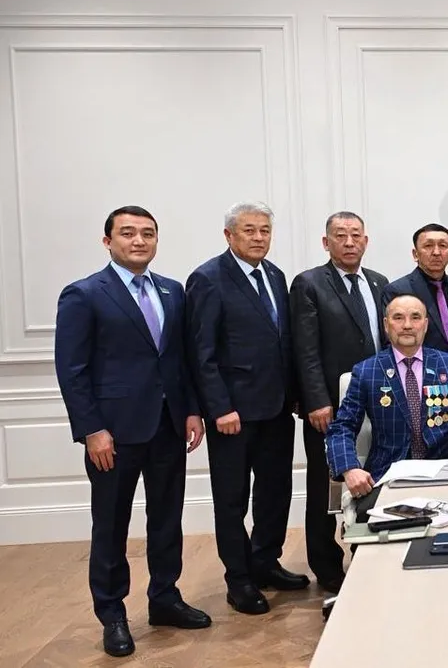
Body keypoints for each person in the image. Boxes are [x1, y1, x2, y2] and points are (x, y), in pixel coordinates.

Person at [54, 206, 210, 658]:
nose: (139, 241)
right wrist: (92, 429)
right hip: (114, 434)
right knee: (111, 525)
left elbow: (179, 359)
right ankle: (112, 614)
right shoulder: (84, 294)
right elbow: (72, 370)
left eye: (147, 233)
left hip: (167, 426)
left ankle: (165, 598)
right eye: (127, 233)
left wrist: (191, 410)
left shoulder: (172, 291)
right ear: (108, 241)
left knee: (167, 518)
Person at [186, 201, 306, 616]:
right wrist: (219, 407)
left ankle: (265, 562)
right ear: (229, 235)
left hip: (276, 408)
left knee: (275, 492)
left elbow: (282, 343)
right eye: (249, 230)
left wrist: (294, 394)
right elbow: (201, 352)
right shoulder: (207, 278)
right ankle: (238, 579)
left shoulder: (275, 275)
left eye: (264, 231)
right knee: (232, 499)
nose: (258, 238)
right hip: (233, 415)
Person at [289, 211, 387, 594]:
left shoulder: (378, 282)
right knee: (325, 487)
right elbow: (305, 348)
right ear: (325, 242)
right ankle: (327, 567)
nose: (349, 242)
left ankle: (369, 554)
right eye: (340, 235)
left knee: (371, 479)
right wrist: (316, 400)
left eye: (356, 235)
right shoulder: (310, 283)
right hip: (328, 406)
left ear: (366, 241)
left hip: (377, 401)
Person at [326, 295, 448, 497]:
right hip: (385, 476)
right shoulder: (367, 371)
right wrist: (349, 468)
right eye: (398, 317)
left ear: (425, 325)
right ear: (386, 325)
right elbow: (342, 426)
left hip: (443, 474)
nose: (407, 325)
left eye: (415, 317)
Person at [381, 223, 448, 358]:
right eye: (428, 246)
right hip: (420, 369)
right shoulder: (397, 291)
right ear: (415, 254)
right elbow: (392, 341)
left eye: (443, 246)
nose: (436, 252)